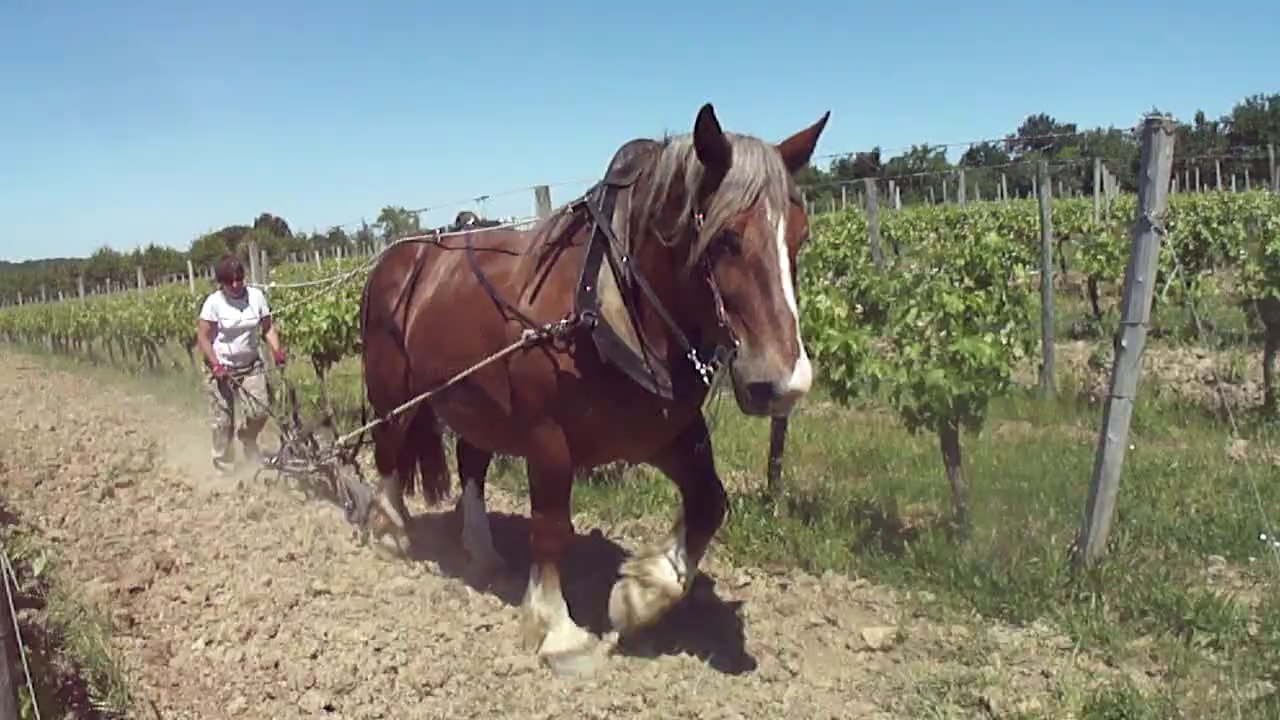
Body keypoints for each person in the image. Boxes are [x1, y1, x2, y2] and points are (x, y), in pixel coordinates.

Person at [195, 254, 287, 473]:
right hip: (220, 368)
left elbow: (267, 328)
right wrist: (215, 364)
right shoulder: (213, 303)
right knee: (223, 422)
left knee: (260, 411)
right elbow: (203, 337)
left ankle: (247, 437)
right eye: (230, 281)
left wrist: (277, 350)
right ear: (221, 283)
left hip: (250, 366)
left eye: (239, 279)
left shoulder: (256, 297)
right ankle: (223, 464)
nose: (235, 285)